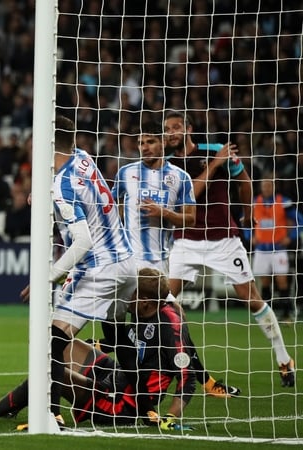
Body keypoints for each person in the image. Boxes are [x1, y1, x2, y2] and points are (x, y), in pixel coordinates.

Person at [0, 268, 196, 432]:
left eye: (130, 293)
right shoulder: (144, 310)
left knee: (56, 372)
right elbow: (125, 344)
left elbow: (188, 378)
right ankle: (16, 404)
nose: (125, 296)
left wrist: (170, 418)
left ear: (144, 301)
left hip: (123, 404)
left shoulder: (169, 326)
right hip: (120, 376)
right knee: (61, 345)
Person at [164, 111, 295, 387]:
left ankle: (284, 358)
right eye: (167, 130)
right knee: (165, 300)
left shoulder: (214, 149)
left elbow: (245, 181)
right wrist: (214, 164)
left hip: (224, 239)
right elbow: (188, 196)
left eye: (176, 127)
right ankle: (169, 365)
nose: (172, 133)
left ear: (189, 129)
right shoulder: (167, 166)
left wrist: (247, 215)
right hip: (186, 240)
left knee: (251, 297)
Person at [112, 122, 240, 398]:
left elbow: (191, 218)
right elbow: (109, 208)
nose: (145, 147)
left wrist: (164, 214)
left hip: (158, 266)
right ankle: (125, 375)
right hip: (128, 263)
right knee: (121, 319)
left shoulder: (179, 177)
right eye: (141, 142)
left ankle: (197, 382)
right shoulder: (126, 173)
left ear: (162, 143)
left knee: (170, 322)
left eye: (150, 141)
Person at [49, 115, 137, 426]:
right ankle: (139, 404)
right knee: (116, 332)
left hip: (99, 268)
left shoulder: (61, 182)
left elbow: (83, 240)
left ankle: (52, 414)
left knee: (53, 341)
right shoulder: (84, 158)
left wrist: (50, 274)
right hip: (128, 262)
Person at [249, 177, 302, 322]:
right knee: (264, 282)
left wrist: (290, 236)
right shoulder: (254, 202)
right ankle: (267, 316)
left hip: (278, 249)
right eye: (263, 186)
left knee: (282, 281)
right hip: (261, 249)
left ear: (273, 187)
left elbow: (300, 221)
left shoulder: (284, 202)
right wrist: (250, 236)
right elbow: (244, 221)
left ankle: (286, 314)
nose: (266, 188)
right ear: (260, 187)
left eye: (268, 186)